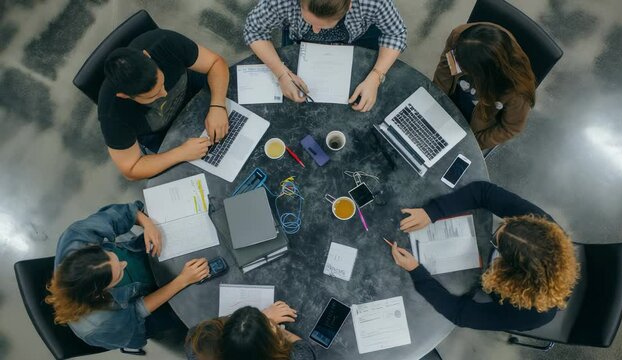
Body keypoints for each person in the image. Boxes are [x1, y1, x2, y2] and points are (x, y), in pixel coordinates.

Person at [391, 181, 578, 331]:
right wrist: (432, 213)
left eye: (496, 243)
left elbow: (459, 314)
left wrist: (416, 271)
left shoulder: (531, 314)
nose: (493, 236)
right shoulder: (541, 230)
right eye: (504, 226)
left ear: (509, 274)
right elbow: (484, 192)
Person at [45, 201, 211, 350]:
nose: (124, 264)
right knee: (200, 302)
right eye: (119, 274)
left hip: (142, 258)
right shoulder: (99, 326)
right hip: (139, 313)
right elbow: (137, 311)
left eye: (113, 256)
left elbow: (117, 216)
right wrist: (181, 281)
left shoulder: (76, 239)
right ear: (100, 292)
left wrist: (147, 224)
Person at [99, 28, 230, 180]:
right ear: (125, 96)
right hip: (165, 137)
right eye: (153, 96)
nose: (164, 94)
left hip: (200, 98)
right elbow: (131, 169)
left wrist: (218, 105)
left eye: (162, 83)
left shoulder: (163, 42)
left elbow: (215, 63)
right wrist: (181, 153)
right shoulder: (112, 112)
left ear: (147, 55)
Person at [243, 0, 407, 111]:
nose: (315, 30)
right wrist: (281, 73)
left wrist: (375, 77)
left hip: (358, 39)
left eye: (324, 24)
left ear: (349, 5)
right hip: (299, 43)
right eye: (310, 22)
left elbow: (395, 34)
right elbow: (254, 30)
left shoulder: (373, 2)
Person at [433, 23, 537, 149]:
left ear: (484, 74)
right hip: (450, 99)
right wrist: (436, 100)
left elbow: (510, 128)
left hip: (474, 126)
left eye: (465, 67)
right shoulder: (460, 38)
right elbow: (446, 68)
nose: (457, 63)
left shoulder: (518, 91)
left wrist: (471, 143)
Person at [185, 302, 315, 360]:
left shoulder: (196, 347)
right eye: (270, 326)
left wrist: (258, 324)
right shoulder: (299, 357)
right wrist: (270, 322)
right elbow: (303, 347)